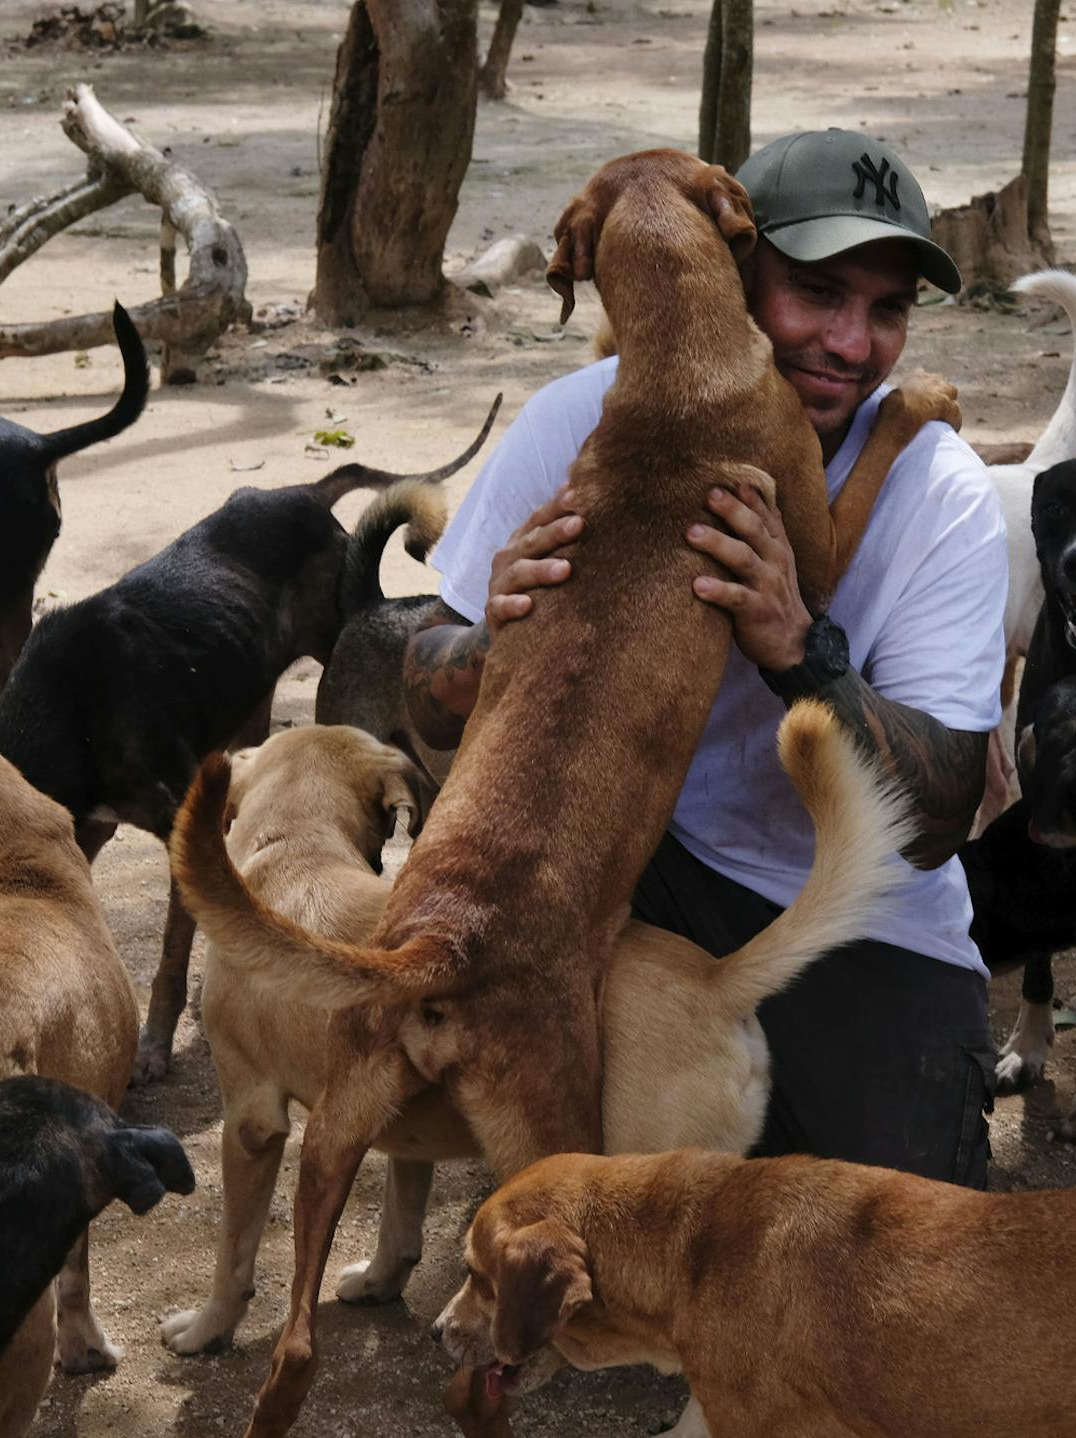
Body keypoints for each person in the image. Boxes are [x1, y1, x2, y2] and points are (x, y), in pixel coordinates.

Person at [402, 129, 1008, 1187]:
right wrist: (487, 644)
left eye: (888, 310)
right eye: (817, 292)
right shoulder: (578, 423)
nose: (852, 344)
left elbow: (941, 817)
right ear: (733, 268)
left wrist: (800, 650)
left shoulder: (939, 489)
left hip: (857, 913)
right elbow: (413, 693)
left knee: (880, 1267)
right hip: (649, 869)